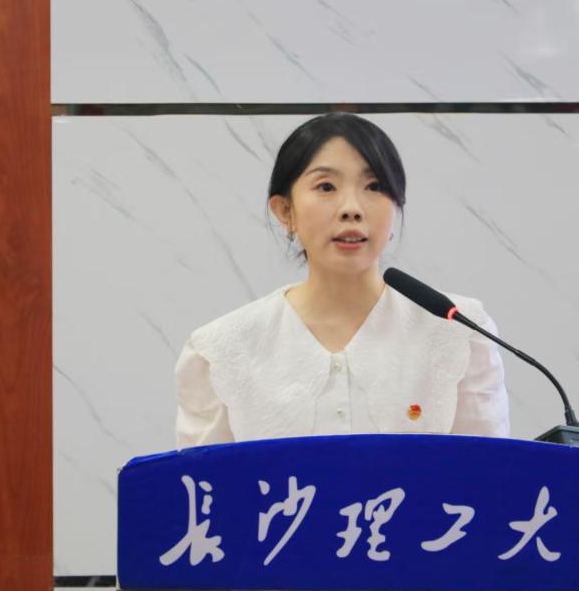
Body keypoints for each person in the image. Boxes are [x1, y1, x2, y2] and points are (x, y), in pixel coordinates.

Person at [173, 112, 509, 448]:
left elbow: (488, 473)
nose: (352, 209)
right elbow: (203, 481)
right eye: (326, 187)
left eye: (374, 187)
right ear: (285, 211)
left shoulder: (458, 331)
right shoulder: (221, 351)